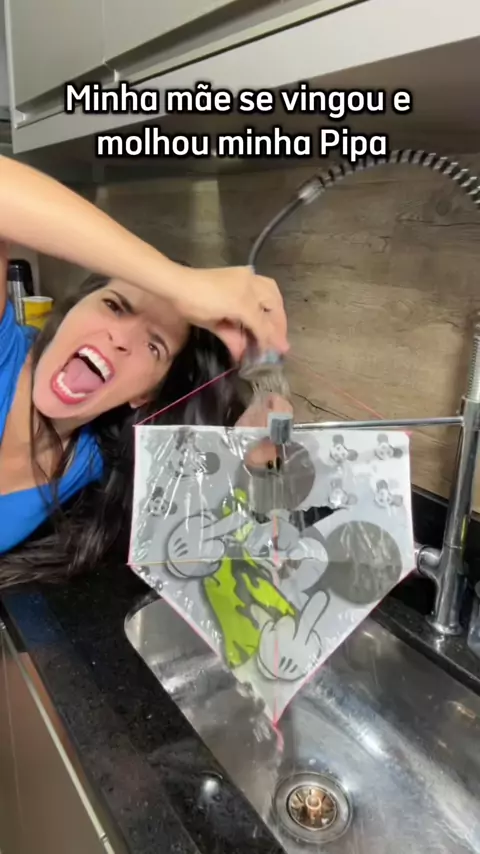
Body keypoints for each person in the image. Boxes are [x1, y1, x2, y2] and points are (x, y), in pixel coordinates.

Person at [0, 156, 290, 586]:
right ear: (69, 312)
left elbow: (214, 546)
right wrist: (178, 283)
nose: (121, 339)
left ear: (144, 395)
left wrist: (250, 453)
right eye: (115, 306)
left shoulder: (94, 459)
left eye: (154, 346)